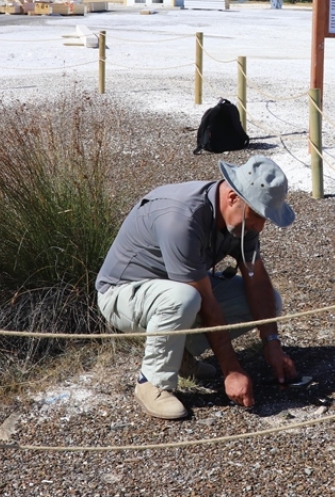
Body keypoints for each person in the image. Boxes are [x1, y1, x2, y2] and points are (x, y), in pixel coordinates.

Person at [95, 155, 299, 420]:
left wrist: (272, 342)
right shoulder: (181, 219)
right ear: (232, 198)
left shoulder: (242, 221)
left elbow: (256, 280)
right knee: (185, 298)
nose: (259, 226)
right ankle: (152, 382)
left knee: (270, 300)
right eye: (258, 214)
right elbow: (206, 302)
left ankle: (180, 354)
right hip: (122, 294)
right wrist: (231, 370)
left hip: (179, 288)